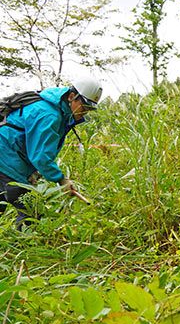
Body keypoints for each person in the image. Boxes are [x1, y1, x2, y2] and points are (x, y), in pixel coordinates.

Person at [0, 76, 103, 228]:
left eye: (90, 108)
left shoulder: (56, 108)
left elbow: (33, 145)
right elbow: (41, 156)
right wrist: (61, 179)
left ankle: (9, 248)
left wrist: (34, 172)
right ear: (71, 96)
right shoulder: (50, 115)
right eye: (84, 106)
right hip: (6, 160)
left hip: (8, 156)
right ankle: (23, 247)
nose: (86, 112)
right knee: (32, 210)